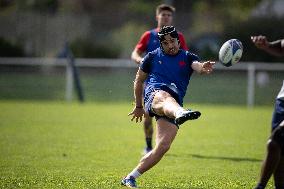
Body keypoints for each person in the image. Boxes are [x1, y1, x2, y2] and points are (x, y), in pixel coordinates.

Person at [121, 26, 215, 188]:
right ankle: (180, 112)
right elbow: (138, 81)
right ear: (160, 45)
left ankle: (130, 177)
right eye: (165, 43)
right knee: (165, 96)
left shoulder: (188, 56)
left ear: (178, 41)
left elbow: (197, 66)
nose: (170, 45)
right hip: (154, 96)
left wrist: (202, 67)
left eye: (172, 41)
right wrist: (138, 106)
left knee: (163, 147)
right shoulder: (151, 57)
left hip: (173, 105)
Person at [131, 4, 189, 155]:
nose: (166, 17)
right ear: (157, 17)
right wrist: (141, 61)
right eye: (163, 14)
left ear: (172, 18)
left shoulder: (179, 36)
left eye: (168, 15)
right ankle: (149, 146)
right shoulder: (149, 36)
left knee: (165, 111)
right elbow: (135, 53)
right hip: (151, 81)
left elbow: (186, 57)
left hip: (171, 82)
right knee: (148, 114)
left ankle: (161, 144)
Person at [251, 35, 284, 189]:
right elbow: (282, 45)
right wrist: (267, 45)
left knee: (275, 141)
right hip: (282, 100)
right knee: (279, 152)